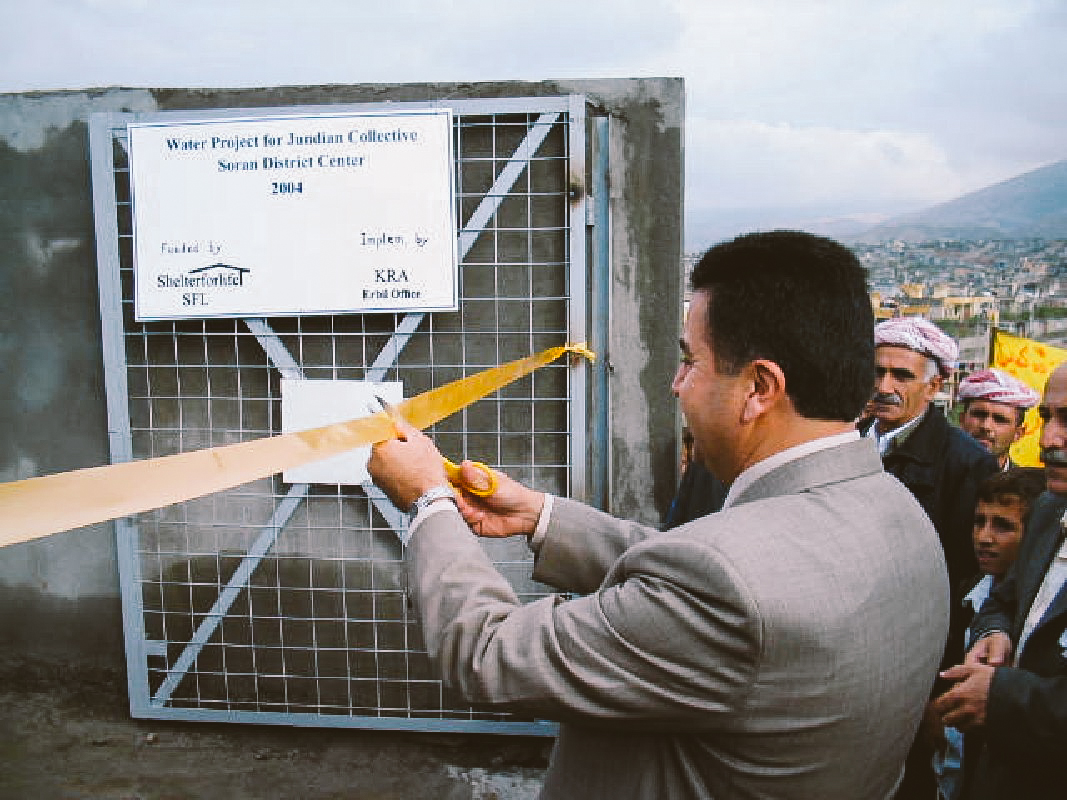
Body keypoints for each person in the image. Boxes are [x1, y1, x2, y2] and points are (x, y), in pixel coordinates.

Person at [368, 230, 950, 799]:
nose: (676, 387)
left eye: (689, 362)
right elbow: (701, 586)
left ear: (759, 387)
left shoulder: (728, 585)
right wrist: (539, 515)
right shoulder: (897, 510)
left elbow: (488, 654)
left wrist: (427, 501)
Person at [860, 317, 999, 799]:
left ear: (935, 386)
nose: (884, 387)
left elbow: (964, 578)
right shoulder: (851, 440)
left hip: (912, 660)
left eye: (901, 376)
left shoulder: (965, 463)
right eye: (878, 372)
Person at [933, 361, 1067, 800]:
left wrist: (1004, 697)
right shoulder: (1048, 512)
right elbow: (1005, 600)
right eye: (1049, 418)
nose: (1051, 441)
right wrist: (996, 633)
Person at [932, 467, 1045, 800]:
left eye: (1004, 526)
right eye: (979, 521)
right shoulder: (965, 593)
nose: (984, 537)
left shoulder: (1033, 620)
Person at [957, 368, 1040, 470]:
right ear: (962, 420)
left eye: (1000, 420)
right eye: (979, 415)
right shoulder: (938, 477)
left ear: (1018, 434)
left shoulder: (1026, 484)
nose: (986, 426)